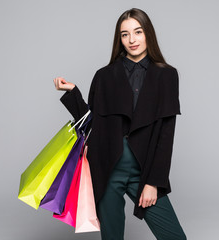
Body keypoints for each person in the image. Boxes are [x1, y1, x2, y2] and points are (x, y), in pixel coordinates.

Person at [53, 8, 186, 240]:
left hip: (143, 171)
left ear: (148, 34)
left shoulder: (167, 75)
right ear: (119, 39)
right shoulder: (105, 76)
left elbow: (166, 134)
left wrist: (154, 182)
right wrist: (73, 93)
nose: (132, 40)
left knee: (174, 237)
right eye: (125, 34)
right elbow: (92, 125)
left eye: (138, 31)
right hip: (106, 168)